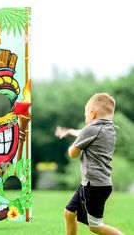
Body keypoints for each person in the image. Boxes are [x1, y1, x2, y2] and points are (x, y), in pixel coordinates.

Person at [55, 93, 123, 235]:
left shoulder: (91, 129)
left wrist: (71, 145)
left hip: (93, 185)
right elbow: (85, 133)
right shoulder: (110, 129)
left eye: (85, 115)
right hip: (96, 183)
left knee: (95, 226)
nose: (85, 118)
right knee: (69, 213)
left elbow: (73, 153)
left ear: (92, 114)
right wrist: (70, 131)